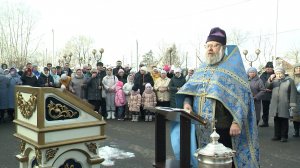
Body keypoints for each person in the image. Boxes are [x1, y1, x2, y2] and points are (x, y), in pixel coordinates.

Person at [171, 27, 259, 168]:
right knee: (204, 160)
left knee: (225, 161)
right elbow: (190, 91)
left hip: (223, 127)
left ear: (223, 47)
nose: (210, 49)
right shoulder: (202, 68)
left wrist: (237, 122)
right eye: (208, 45)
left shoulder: (232, 69)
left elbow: (242, 98)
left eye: (215, 45)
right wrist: (187, 103)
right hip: (201, 125)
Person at [266, 67, 296, 142]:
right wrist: (270, 79)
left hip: (285, 103)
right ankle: (277, 135)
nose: (278, 75)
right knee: (276, 120)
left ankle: (284, 136)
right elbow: (267, 86)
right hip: (275, 104)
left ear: (283, 73)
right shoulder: (274, 81)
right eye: (277, 73)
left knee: (284, 120)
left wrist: (292, 104)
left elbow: (293, 93)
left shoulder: (289, 81)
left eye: (280, 73)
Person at [259, 62, 275, 127]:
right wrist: (265, 89)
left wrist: (273, 89)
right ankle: (265, 122)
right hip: (265, 95)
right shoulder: (262, 75)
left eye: (270, 68)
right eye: (267, 68)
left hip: (274, 94)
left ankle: (278, 124)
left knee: (276, 109)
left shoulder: (276, 74)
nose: (268, 69)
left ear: (272, 68)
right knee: (265, 110)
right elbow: (261, 84)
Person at [291, 63, 300, 137]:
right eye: (296, 68)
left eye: (299, 68)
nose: (298, 69)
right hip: (295, 99)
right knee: (295, 115)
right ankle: (296, 130)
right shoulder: (291, 78)